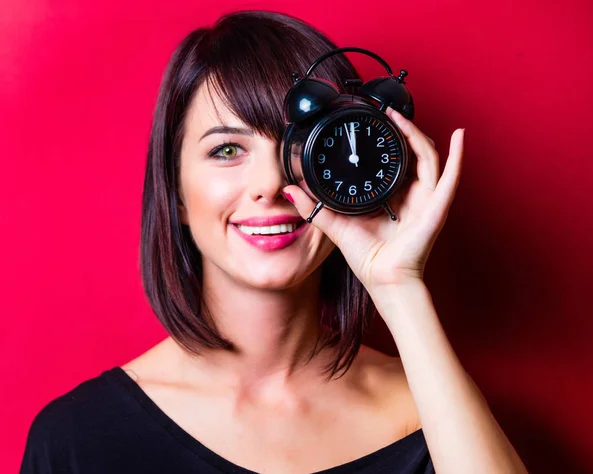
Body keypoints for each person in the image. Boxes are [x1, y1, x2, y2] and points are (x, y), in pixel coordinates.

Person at [19, 10, 528, 474]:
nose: (269, 185)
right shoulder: (77, 439)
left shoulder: (436, 419)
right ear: (174, 191)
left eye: (299, 147)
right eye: (226, 149)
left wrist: (399, 284)